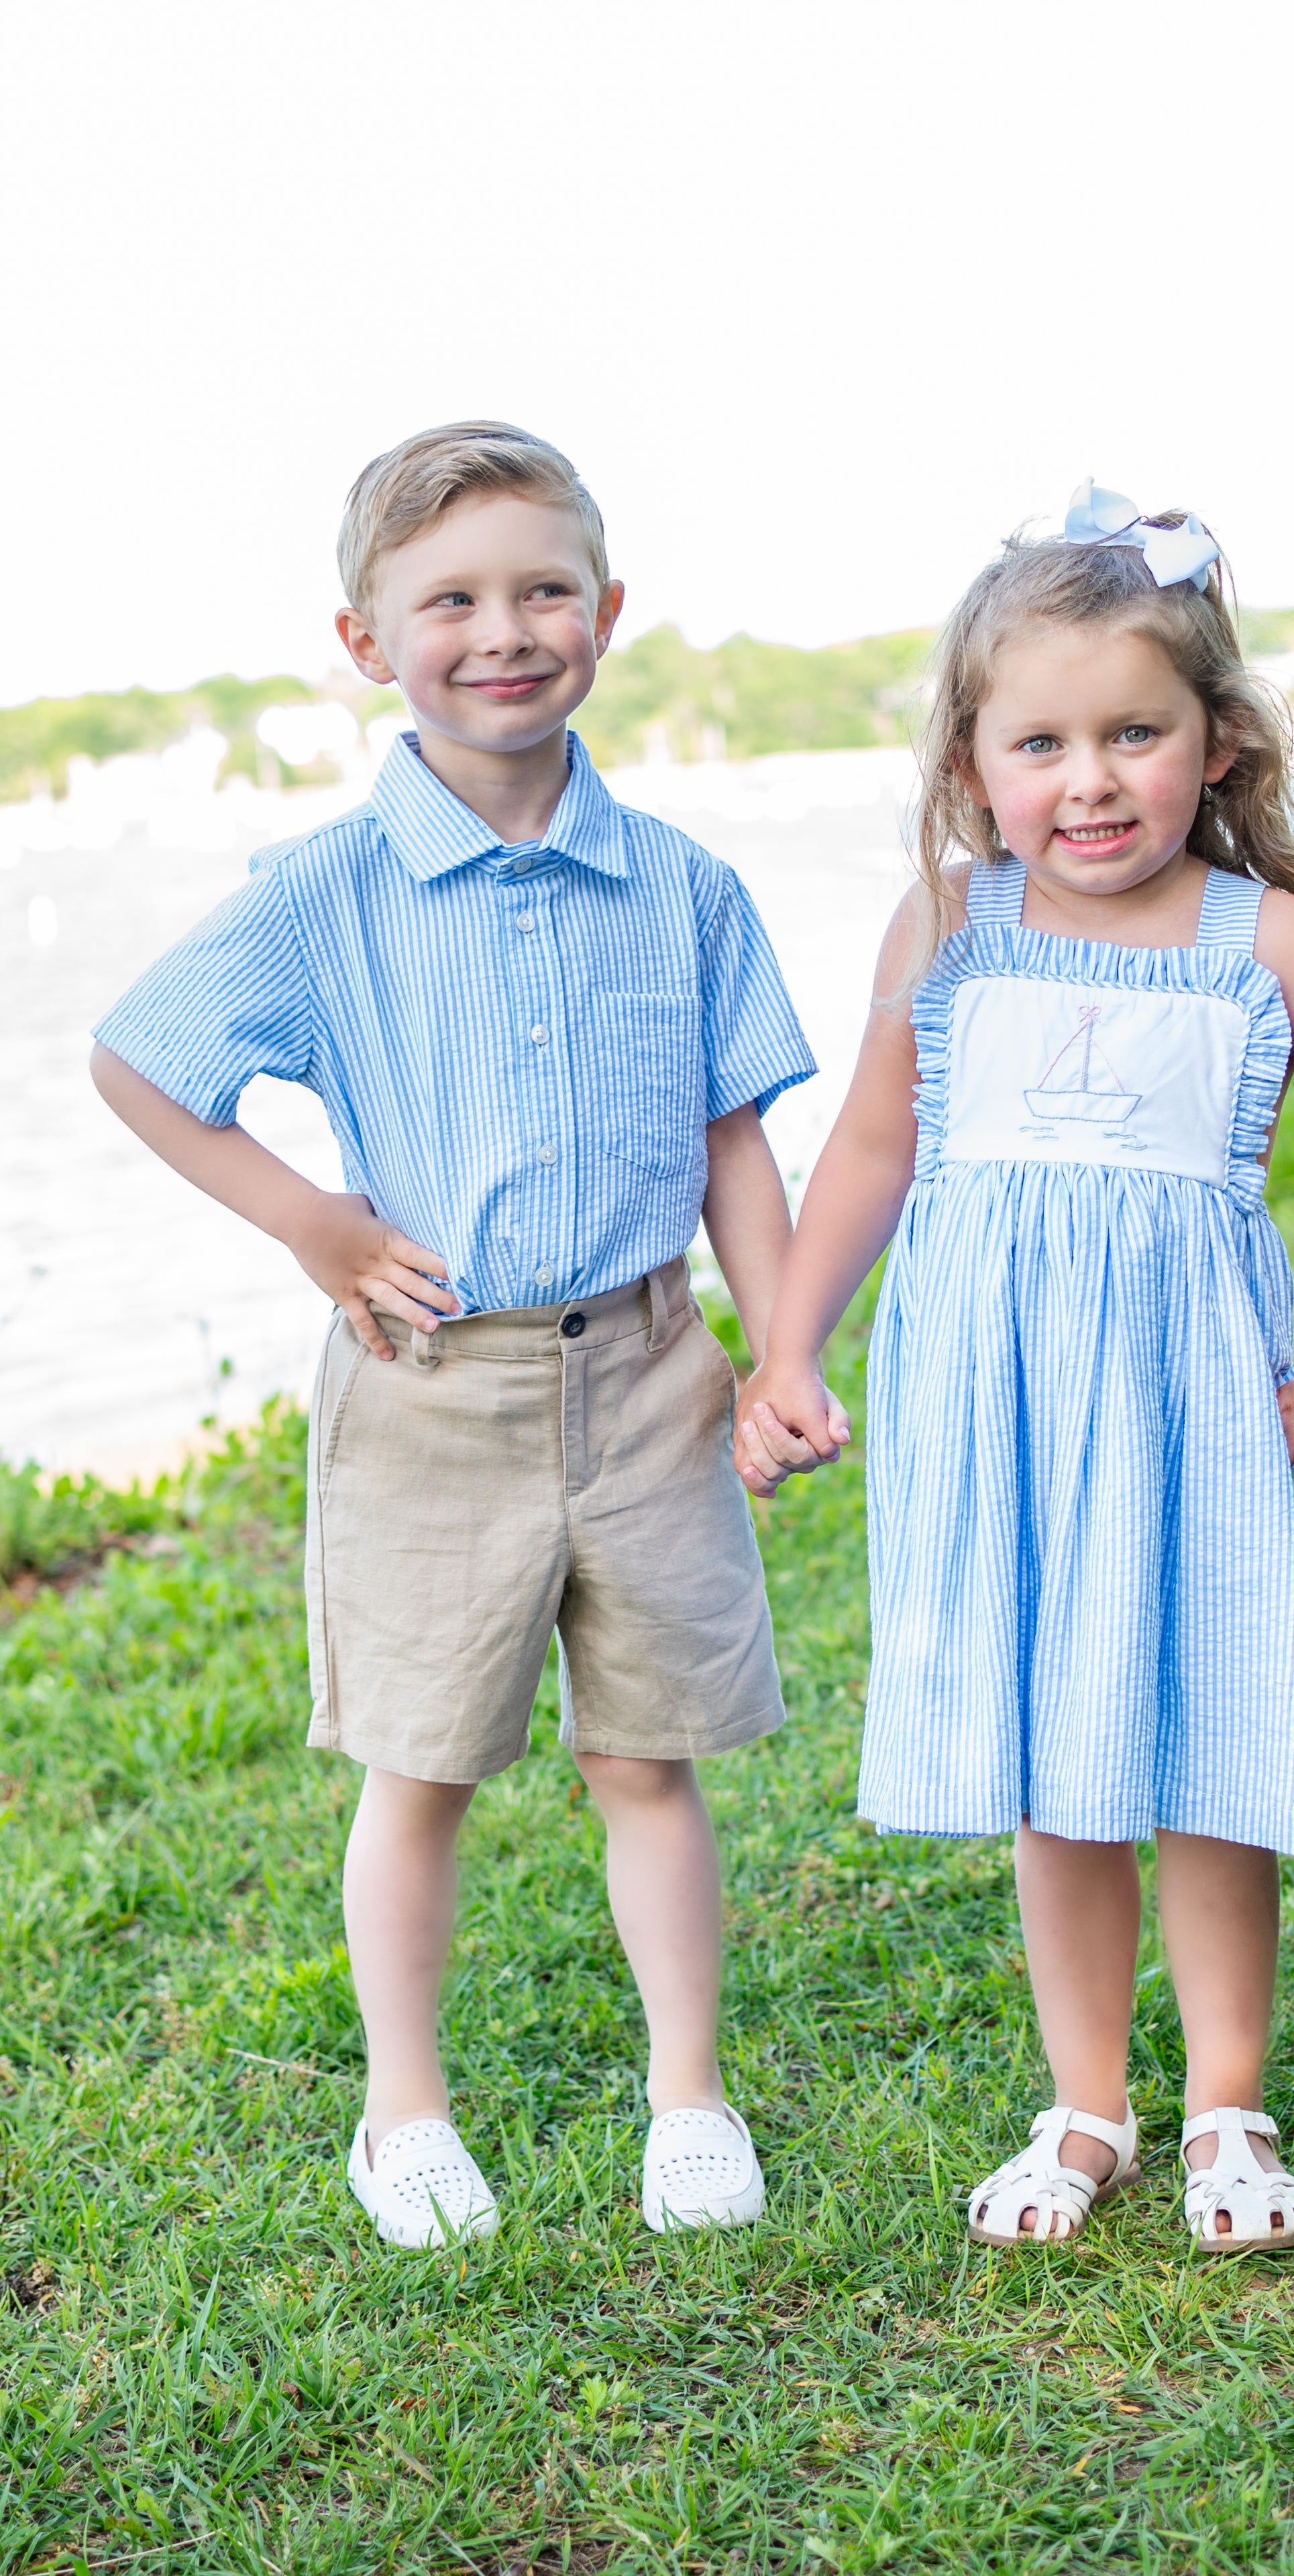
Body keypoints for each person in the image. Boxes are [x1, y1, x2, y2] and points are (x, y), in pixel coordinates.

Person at [91, 421, 815, 2247]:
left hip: (650, 1372)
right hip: (432, 1390)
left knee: (645, 1757)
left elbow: (735, 1136)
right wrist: (318, 1226)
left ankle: (689, 2096)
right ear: (367, 642)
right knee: (419, 1766)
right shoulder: (324, 890)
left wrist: (782, 1348)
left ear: (607, 612)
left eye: (543, 590)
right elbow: (142, 1062)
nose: (505, 632)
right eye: (452, 602)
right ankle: (401, 2112)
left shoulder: (684, 885)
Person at [735, 482, 1294, 2255]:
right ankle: (1087, 2108)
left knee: (1208, 1755)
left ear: (1218, 743)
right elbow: (873, 1152)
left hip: (1193, 1426)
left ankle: (1227, 2107)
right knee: (1053, 1770)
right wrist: (787, 1344)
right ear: (971, 763)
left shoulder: (1261, 941)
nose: (1092, 780)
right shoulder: (948, 928)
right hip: (997, 1424)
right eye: (1042, 743)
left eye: (1136, 733)